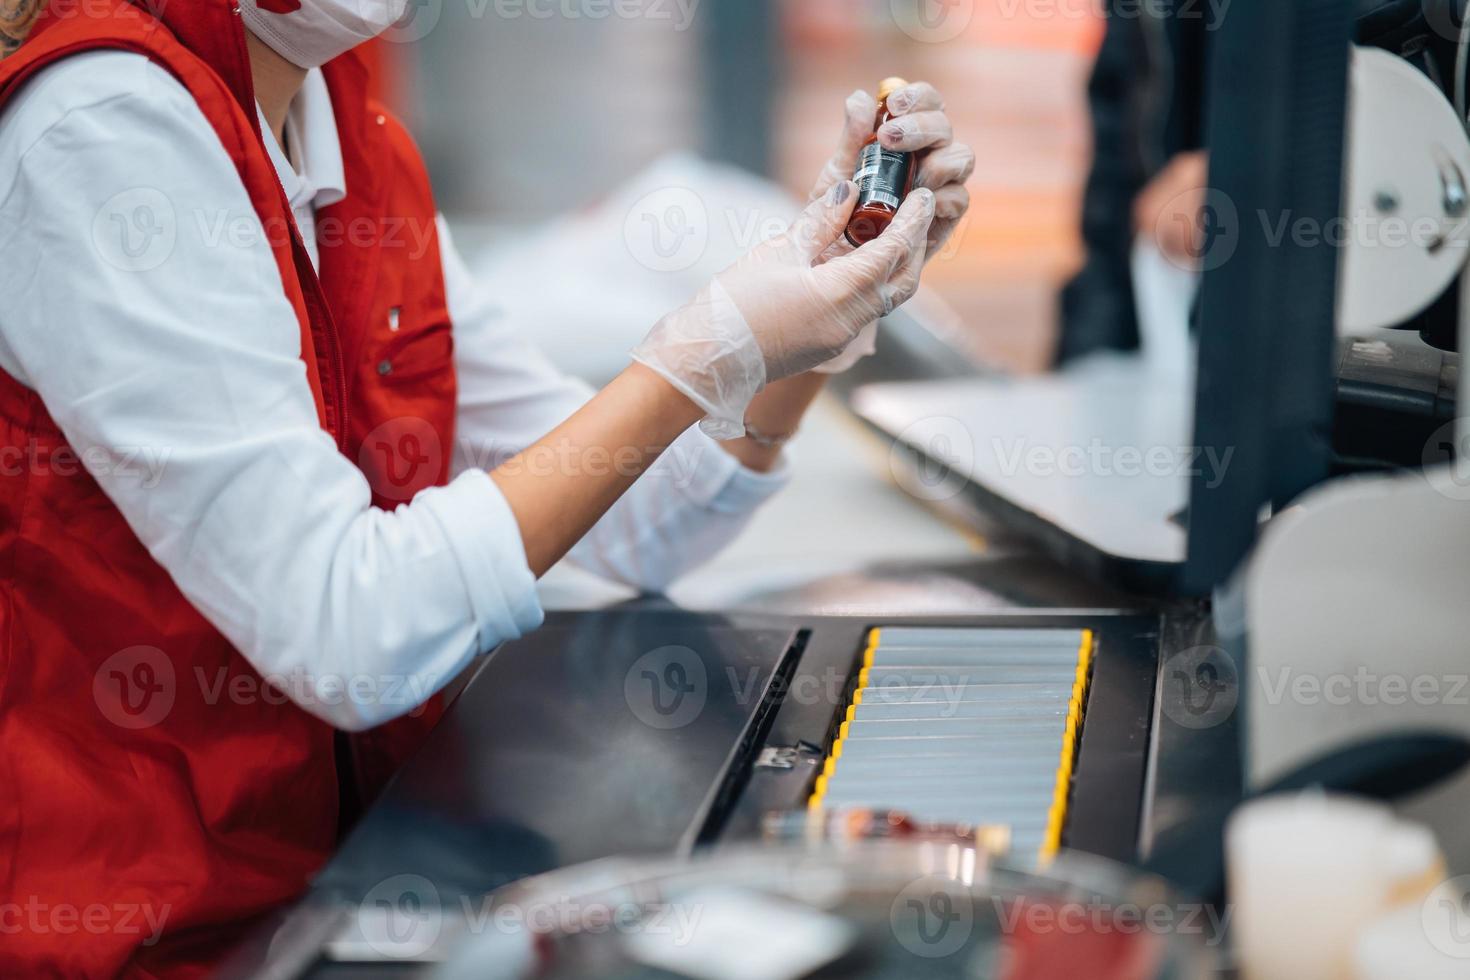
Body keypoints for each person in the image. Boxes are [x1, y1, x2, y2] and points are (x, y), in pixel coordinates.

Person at [0, 0, 974, 974]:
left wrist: (832, 293)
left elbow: (638, 518)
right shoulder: (101, 127)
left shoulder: (344, 125)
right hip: (160, 939)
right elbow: (343, 628)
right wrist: (699, 356)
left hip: (364, 879)